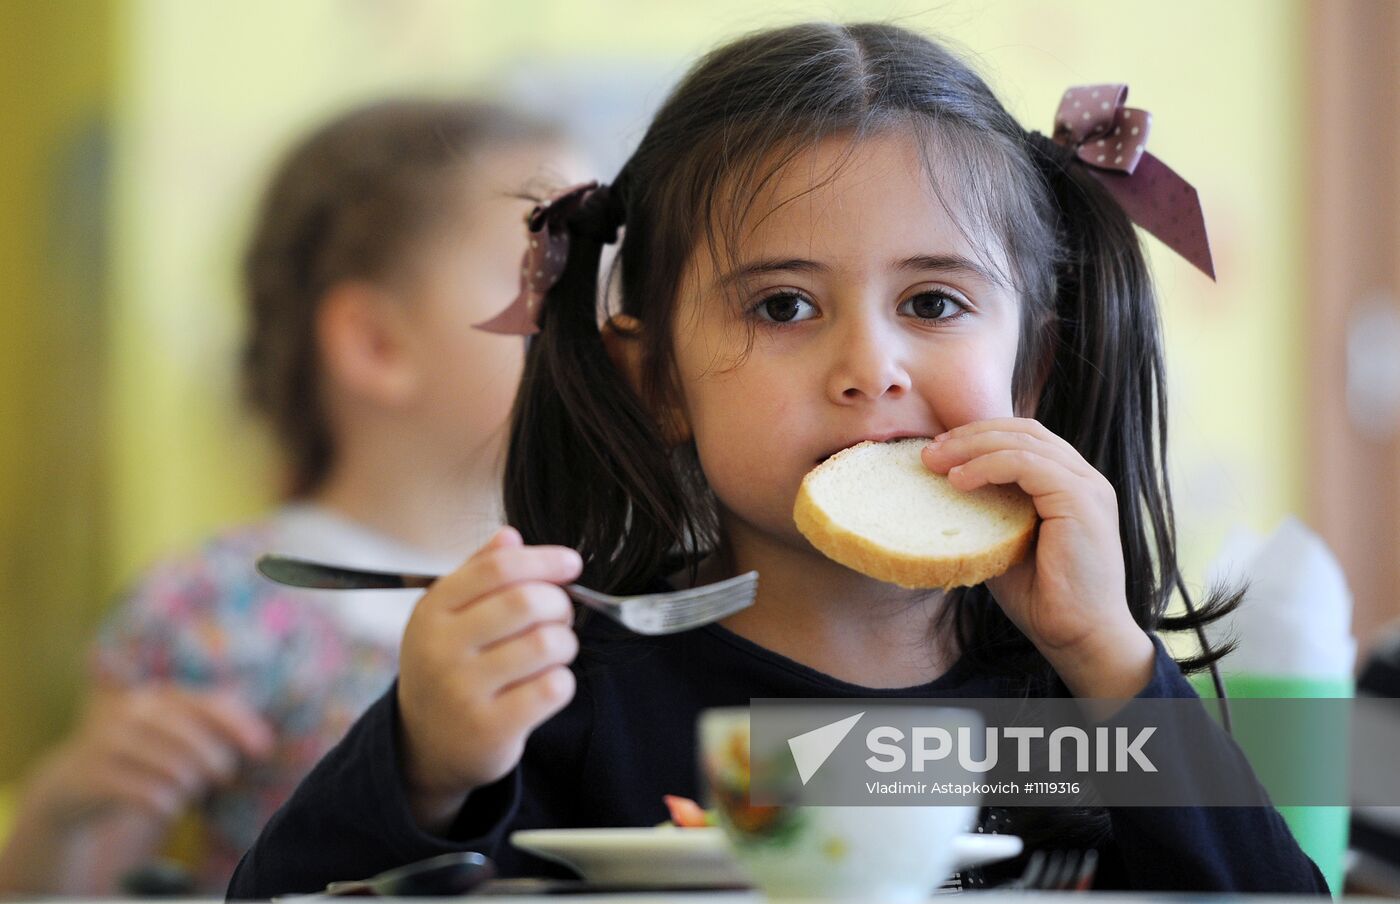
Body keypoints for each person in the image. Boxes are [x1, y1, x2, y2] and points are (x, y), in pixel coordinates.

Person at [227, 23, 1328, 897]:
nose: (869, 366)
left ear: (1030, 369)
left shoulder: (1071, 702)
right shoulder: (572, 697)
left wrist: (1113, 664)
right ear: (658, 379)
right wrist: (428, 763)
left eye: (933, 301)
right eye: (784, 305)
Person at [0, 98, 578, 894]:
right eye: (549, 278)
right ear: (377, 345)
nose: (608, 321)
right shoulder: (219, 607)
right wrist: (62, 812)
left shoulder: (625, 580)